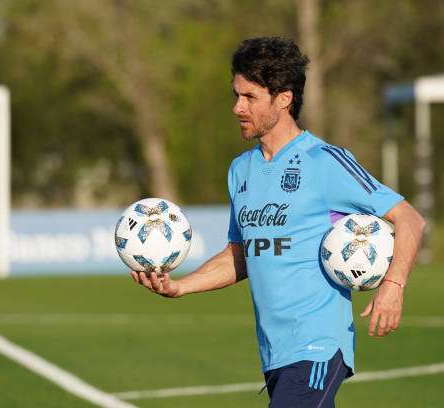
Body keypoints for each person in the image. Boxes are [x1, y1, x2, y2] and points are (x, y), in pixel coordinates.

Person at [130, 36, 425, 407]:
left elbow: (409, 218)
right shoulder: (241, 170)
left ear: (283, 99)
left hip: (318, 346)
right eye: (236, 95)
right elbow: (242, 254)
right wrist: (180, 287)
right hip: (275, 354)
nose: (238, 107)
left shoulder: (325, 161)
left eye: (249, 97)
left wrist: (393, 285)